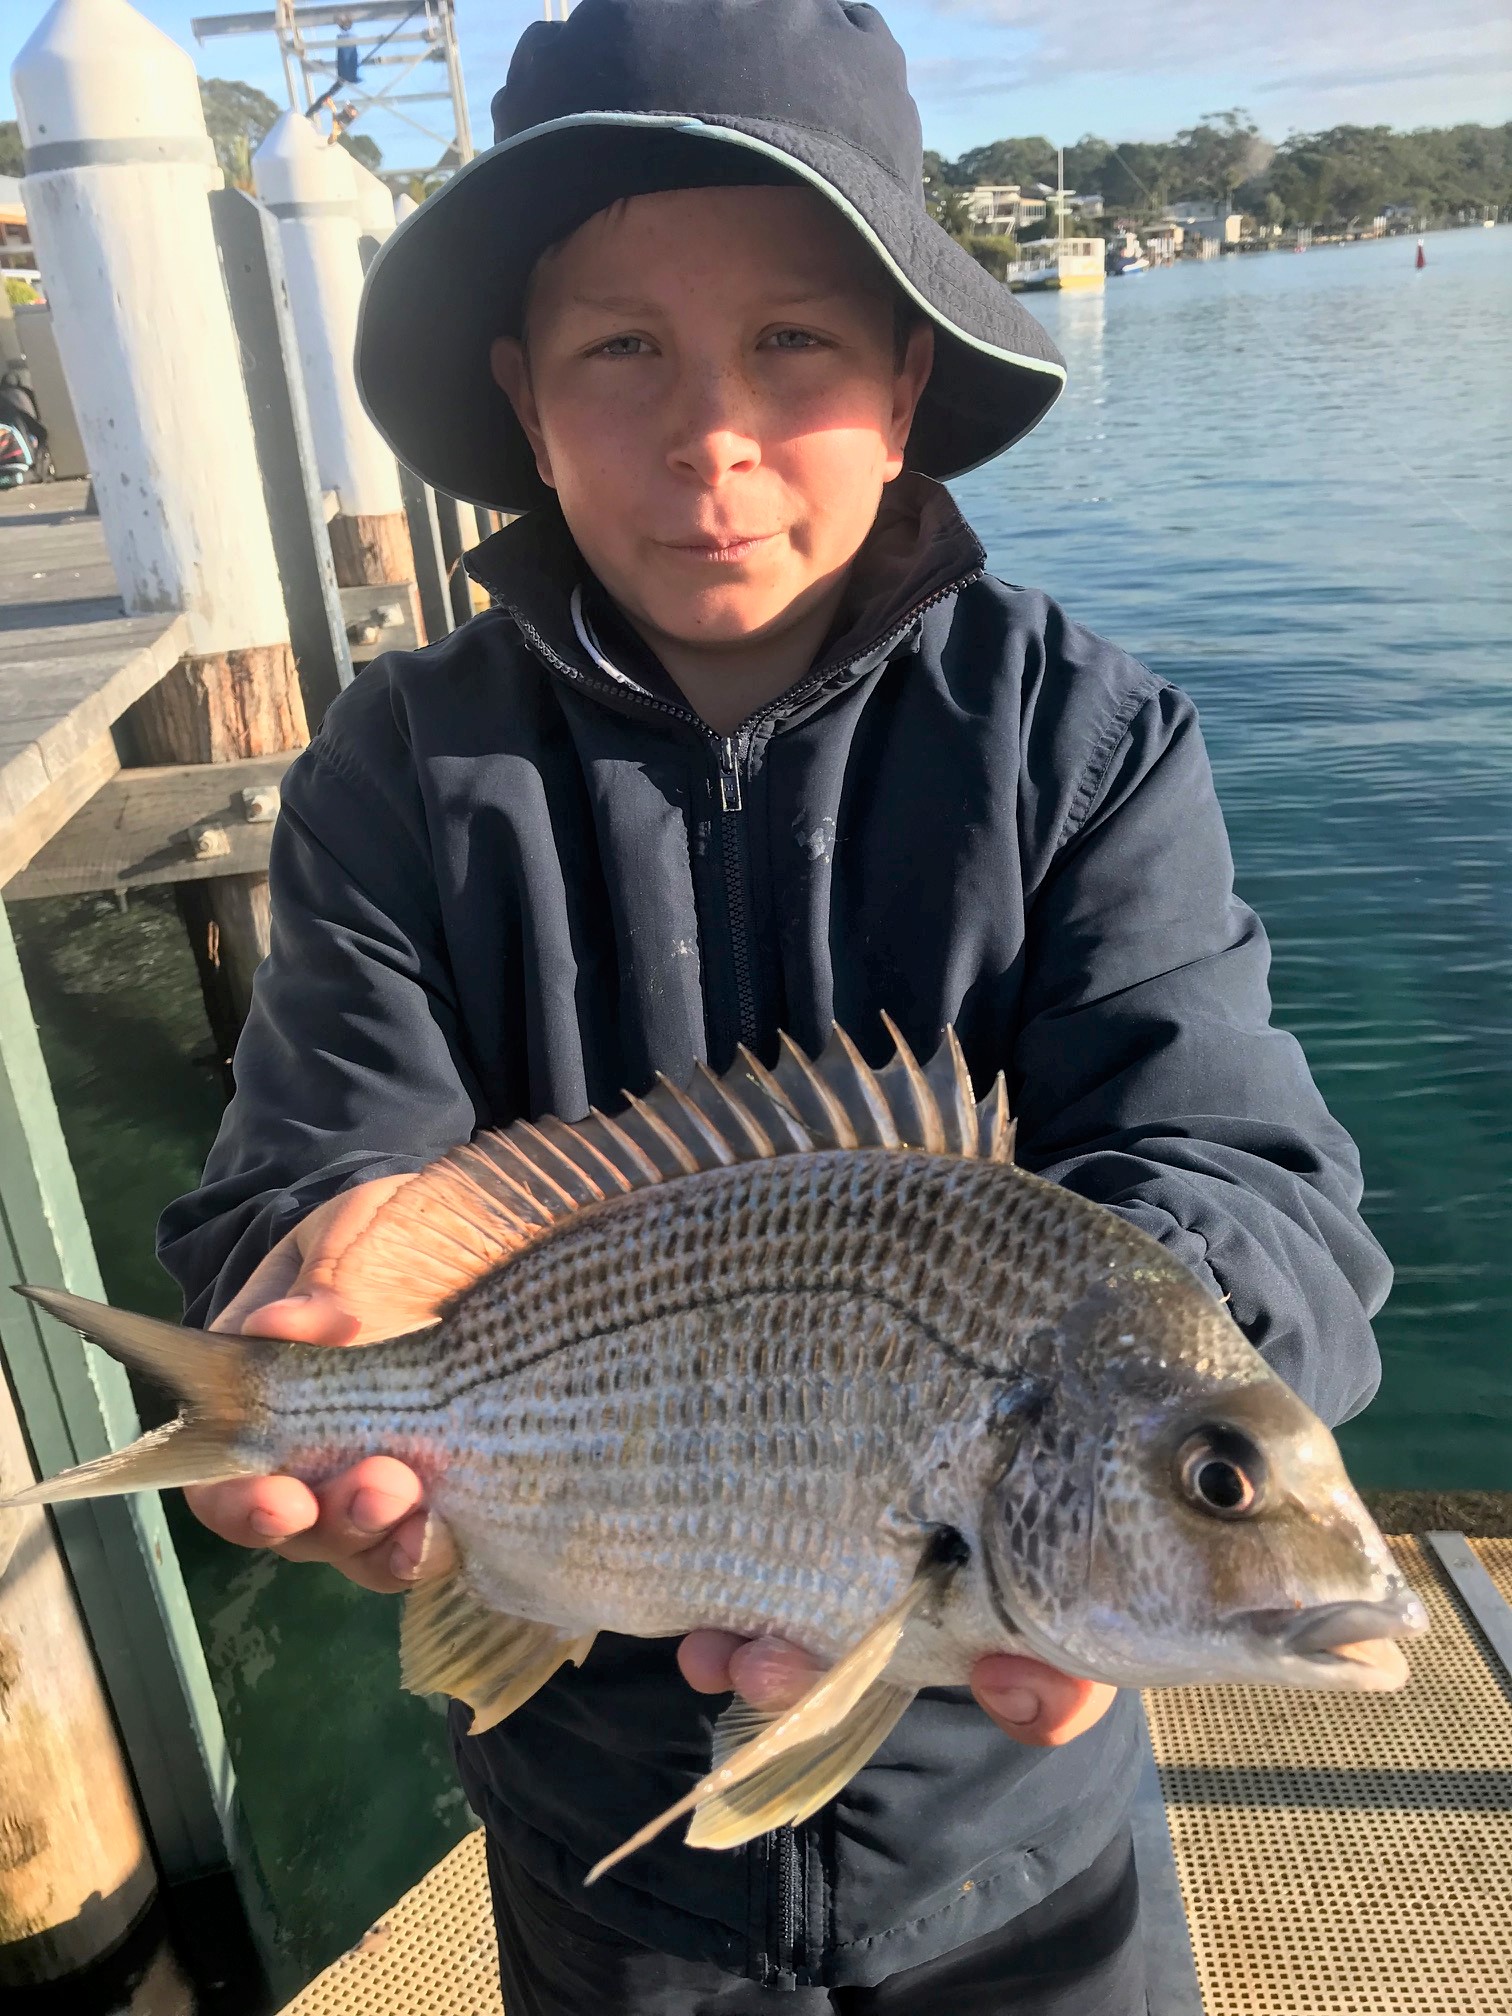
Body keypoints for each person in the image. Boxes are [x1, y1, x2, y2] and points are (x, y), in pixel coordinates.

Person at [158, 1, 1391, 2008]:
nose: (708, 433)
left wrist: (1166, 1370)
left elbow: (1254, 1180)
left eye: (793, 343)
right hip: (599, 1856)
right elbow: (305, 1174)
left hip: (1020, 1850)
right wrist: (312, 1293)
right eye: (620, 349)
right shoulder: (396, 773)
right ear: (521, 396)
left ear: (909, 378)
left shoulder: (1078, 741)